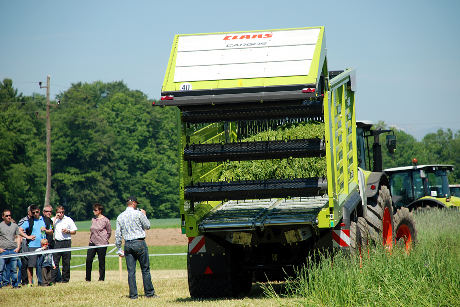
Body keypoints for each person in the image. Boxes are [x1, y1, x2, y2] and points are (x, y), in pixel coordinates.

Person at [116, 196, 157, 299]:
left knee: (131, 272)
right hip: (139, 243)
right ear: (133, 203)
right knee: (145, 269)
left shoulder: (120, 216)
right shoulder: (139, 214)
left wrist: (118, 248)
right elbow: (148, 226)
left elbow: (118, 235)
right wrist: (144, 215)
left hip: (128, 244)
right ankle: (149, 293)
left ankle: (133, 295)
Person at [19, 204, 52, 286]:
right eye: (33, 213)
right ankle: (30, 283)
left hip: (43, 246)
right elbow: (19, 230)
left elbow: (51, 231)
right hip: (32, 245)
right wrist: (27, 236)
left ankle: (42, 282)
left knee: (42, 265)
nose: (35, 214)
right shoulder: (29, 221)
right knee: (30, 265)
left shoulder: (45, 220)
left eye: (37, 212)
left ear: (39, 211)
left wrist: (46, 230)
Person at [85, 203, 111, 282]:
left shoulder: (105, 220)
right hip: (92, 242)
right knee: (88, 260)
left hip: (102, 243)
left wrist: (105, 239)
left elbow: (109, 231)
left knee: (101, 261)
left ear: (100, 211)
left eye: (95, 210)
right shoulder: (93, 219)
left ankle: (101, 278)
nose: (94, 211)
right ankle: (88, 278)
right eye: (93, 210)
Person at [51, 206, 77, 283]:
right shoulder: (53, 220)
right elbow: (51, 228)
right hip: (57, 242)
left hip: (66, 242)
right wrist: (55, 218)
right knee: (55, 261)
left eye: (62, 212)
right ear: (56, 212)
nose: (61, 214)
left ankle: (65, 279)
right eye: (59, 212)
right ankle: (54, 279)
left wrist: (68, 231)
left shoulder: (68, 219)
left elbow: (74, 231)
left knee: (66, 262)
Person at [0, 209, 21, 288]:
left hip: (13, 250)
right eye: (7, 216)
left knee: (14, 270)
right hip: (3, 251)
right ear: (3, 217)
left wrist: (18, 247)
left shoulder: (15, 226)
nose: (9, 217)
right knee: (0, 270)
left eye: (10, 215)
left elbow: (18, 236)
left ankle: (15, 285)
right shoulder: (0, 226)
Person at [17, 206, 32, 285]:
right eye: (32, 211)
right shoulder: (23, 221)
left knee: (31, 262)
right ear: (28, 212)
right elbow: (18, 232)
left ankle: (31, 280)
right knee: (24, 262)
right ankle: (24, 281)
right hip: (24, 242)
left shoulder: (35, 220)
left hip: (32, 242)